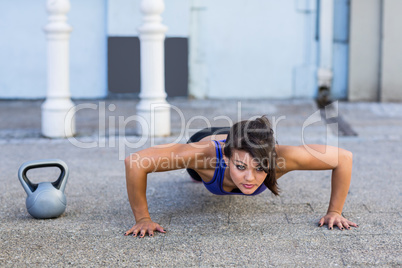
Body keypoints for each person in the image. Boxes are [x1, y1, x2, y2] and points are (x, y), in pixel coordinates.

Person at [124, 116, 358, 238]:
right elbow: (134, 162)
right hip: (209, 139)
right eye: (241, 167)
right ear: (226, 160)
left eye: (260, 168)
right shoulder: (203, 157)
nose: (250, 178)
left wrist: (335, 212)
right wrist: (143, 218)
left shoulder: (281, 159)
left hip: (243, 143)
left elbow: (344, 158)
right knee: (194, 175)